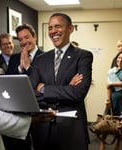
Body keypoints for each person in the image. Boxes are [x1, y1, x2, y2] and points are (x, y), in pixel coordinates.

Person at [0, 14, 56, 150]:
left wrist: (29, 69)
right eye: (20, 39)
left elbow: (50, 86)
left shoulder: (48, 58)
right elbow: (8, 85)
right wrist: (21, 69)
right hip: (17, 114)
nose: (23, 42)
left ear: (35, 37)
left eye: (27, 37)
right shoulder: (14, 59)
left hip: (41, 113)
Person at [30, 12, 93, 150]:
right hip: (43, 129)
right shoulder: (40, 59)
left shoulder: (83, 56)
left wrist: (45, 89)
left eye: (58, 26)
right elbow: (31, 92)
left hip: (71, 130)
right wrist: (66, 88)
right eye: (50, 28)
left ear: (70, 29)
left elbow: (78, 93)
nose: (53, 31)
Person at [100, 51, 122, 150]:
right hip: (112, 99)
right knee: (106, 121)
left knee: (120, 124)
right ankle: (102, 143)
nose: (120, 60)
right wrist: (108, 100)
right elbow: (108, 87)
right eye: (118, 58)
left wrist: (113, 84)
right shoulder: (112, 71)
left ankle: (117, 144)